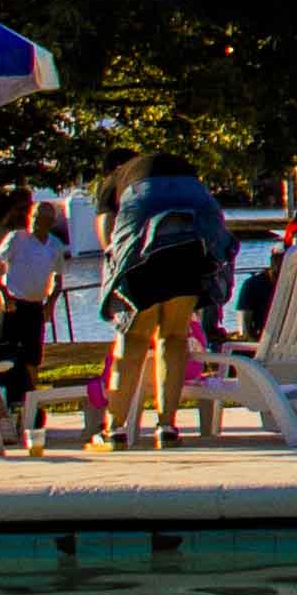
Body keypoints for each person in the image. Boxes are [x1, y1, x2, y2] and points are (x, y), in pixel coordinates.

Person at [98, 155, 226, 450]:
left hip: (146, 226)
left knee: (135, 336)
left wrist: (120, 276)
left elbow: (106, 235)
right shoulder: (176, 168)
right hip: (195, 232)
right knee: (174, 334)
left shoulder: (115, 178)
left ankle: (114, 429)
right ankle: (166, 427)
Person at [0, 201, 68, 400]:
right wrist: (3, 295)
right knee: (6, 355)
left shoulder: (55, 245)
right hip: (14, 304)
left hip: (35, 306)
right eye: (32, 217)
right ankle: (6, 400)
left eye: (40, 219)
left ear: (49, 222)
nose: (34, 223)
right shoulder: (17, 238)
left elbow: (58, 280)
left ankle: (31, 401)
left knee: (33, 357)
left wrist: (50, 304)